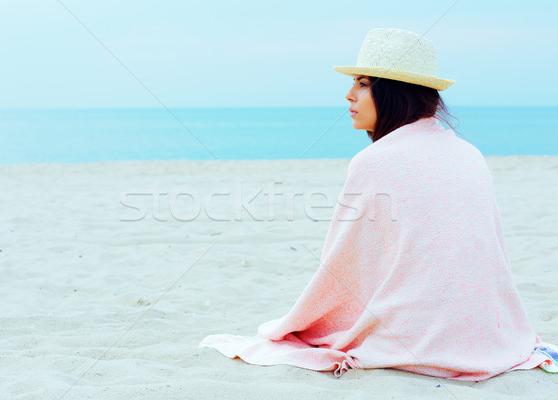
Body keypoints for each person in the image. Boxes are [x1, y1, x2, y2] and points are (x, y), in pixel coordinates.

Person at [199, 27, 558, 380]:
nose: (348, 95)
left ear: (395, 93)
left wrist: (302, 325)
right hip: (491, 333)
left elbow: (341, 271)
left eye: (363, 84)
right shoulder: (470, 154)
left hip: (417, 334)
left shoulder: (374, 162)